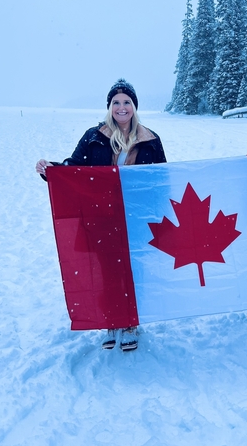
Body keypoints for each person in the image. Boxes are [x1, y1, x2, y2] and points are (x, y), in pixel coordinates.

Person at [36, 78, 166, 351]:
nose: (121, 107)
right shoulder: (94, 137)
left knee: (132, 270)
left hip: (136, 218)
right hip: (103, 218)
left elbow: (161, 179)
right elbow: (75, 170)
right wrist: (53, 170)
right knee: (108, 270)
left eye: (126, 102)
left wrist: (158, 215)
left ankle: (130, 321)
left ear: (134, 106)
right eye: (116, 102)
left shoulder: (151, 140)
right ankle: (113, 320)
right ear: (109, 107)